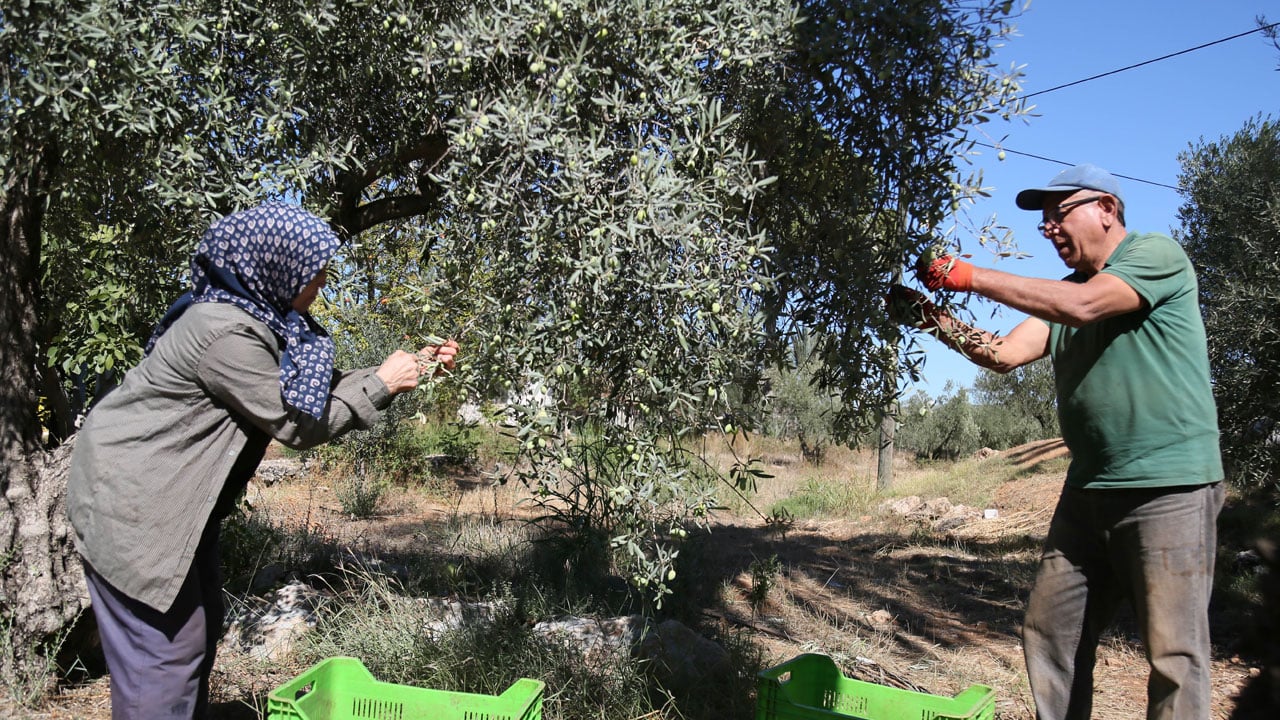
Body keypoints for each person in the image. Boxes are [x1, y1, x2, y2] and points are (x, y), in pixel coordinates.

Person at [66, 202, 459, 720]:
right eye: (313, 276)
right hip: (137, 508)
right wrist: (382, 384)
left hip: (170, 504)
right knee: (162, 658)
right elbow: (295, 421)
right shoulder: (226, 333)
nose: (319, 286)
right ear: (276, 267)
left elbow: (307, 390)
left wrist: (414, 366)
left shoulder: (257, 318)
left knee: (199, 626)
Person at [888, 164, 1224, 720]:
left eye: (1057, 213)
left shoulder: (1154, 256)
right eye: (1043, 220)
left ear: (1107, 209)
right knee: (1051, 629)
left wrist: (967, 275)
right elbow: (1004, 354)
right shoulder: (1066, 294)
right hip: (1089, 489)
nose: (1047, 228)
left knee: (1174, 654)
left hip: (1168, 486)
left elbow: (1085, 307)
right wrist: (931, 319)